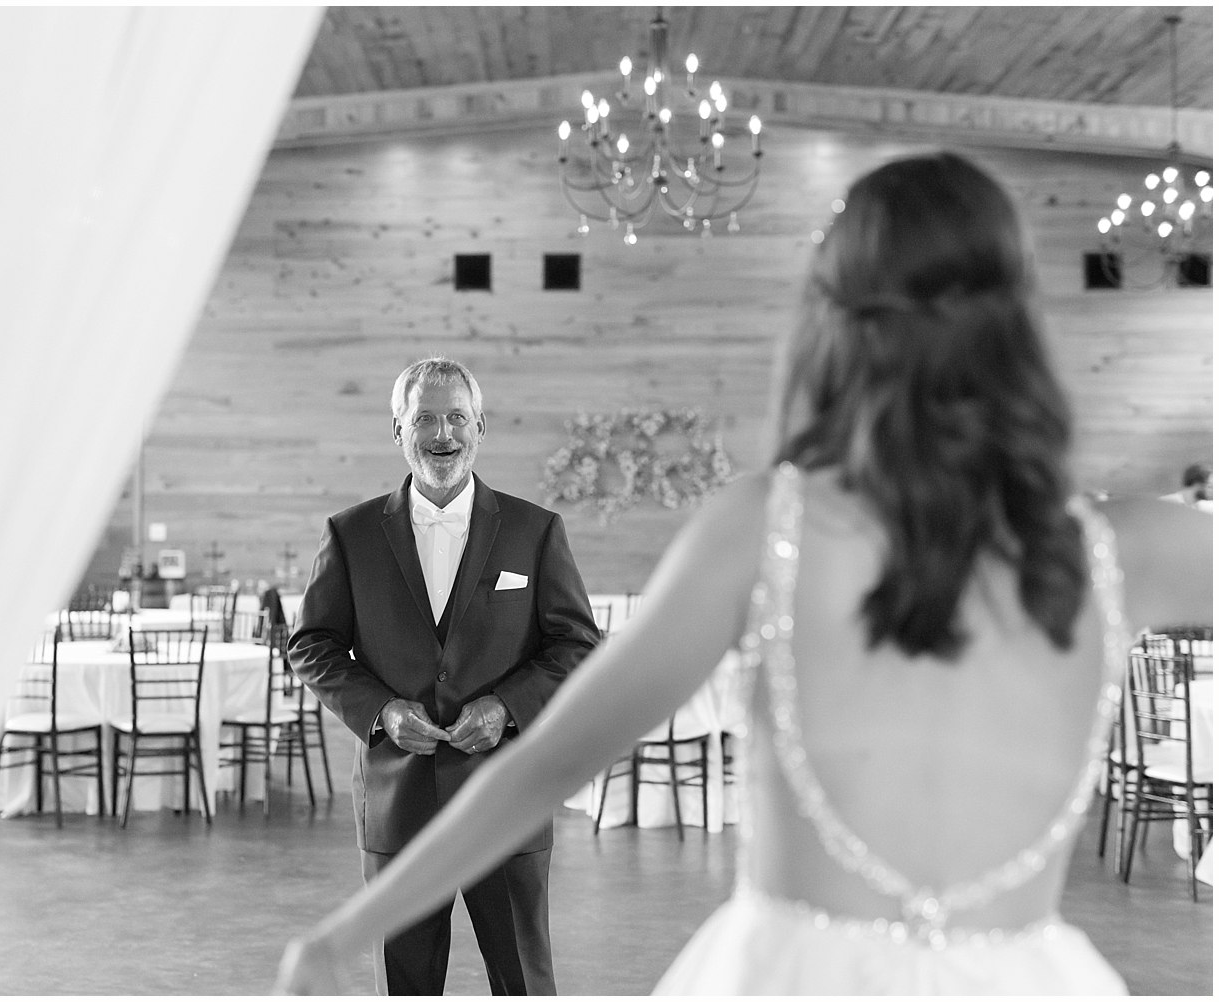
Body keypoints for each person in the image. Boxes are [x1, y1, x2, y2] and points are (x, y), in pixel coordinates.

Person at [275, 152, 1213, 995]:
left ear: (830, 321)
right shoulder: (1133, 547)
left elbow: (546, 767)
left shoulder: (765, 532)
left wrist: (339, 937)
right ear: (1021, 324)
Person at [286, 356, 601, 995]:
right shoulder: (349, 536)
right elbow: (312, 644)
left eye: (457, 416)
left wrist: (507, 708)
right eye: (424, 418)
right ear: (396, 429)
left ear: (480, 426)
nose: (442, 433)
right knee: (406, 986)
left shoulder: (535, 531)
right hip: (397, 802)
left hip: (506, 796)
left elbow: (576, 645)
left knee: (524, 984)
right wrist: (380, 712)